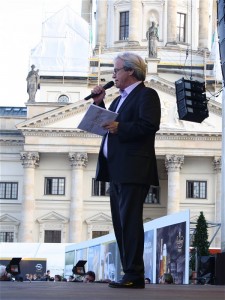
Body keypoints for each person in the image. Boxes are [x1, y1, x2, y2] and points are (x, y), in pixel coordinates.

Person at [91, 52, 161, 289]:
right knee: (121, 224)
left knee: (130, 222)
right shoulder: (117, 99)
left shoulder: (147, 95)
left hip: (134, 169)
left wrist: (120, 127)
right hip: (117, 170)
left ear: (131, 71)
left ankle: (134, 275)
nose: (113, 74)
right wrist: (99, 103)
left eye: (116, 70)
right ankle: (129, 272)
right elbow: (106, 122)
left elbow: (149, 126)